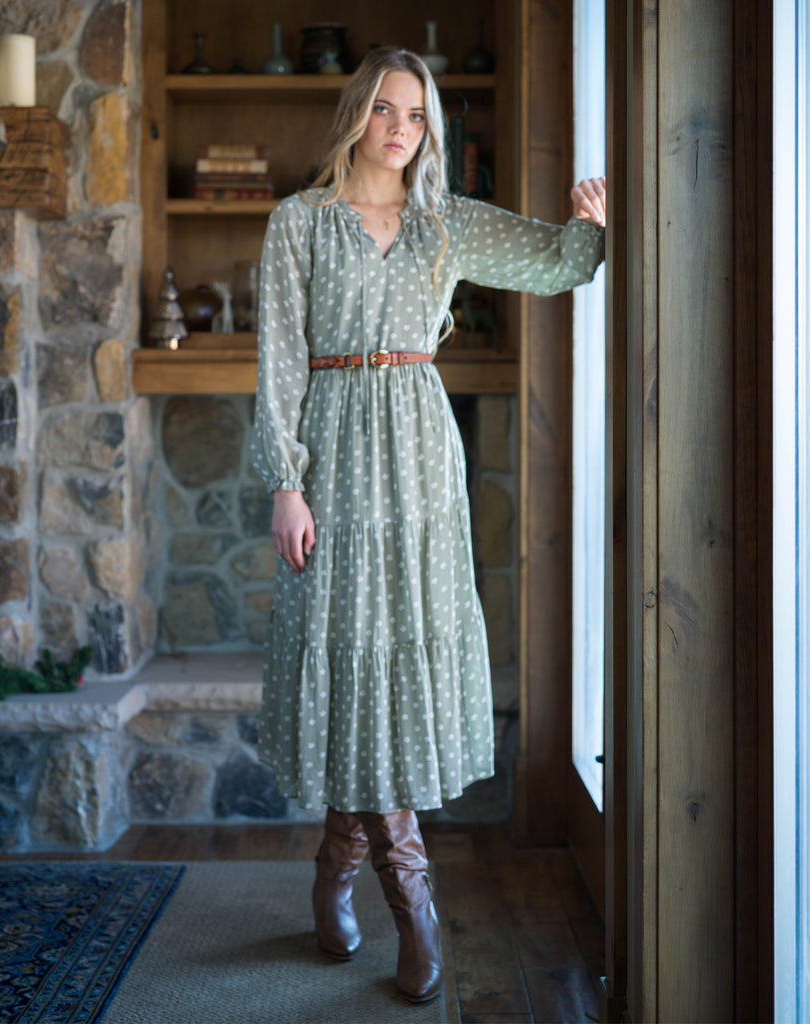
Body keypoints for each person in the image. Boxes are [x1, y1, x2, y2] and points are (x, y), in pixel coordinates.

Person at [250, 46, 605, 1004]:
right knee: (348, 652)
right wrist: (286, 482)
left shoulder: (443, 224)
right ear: (354, 117)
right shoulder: (298, 224)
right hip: (331, 453)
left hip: (416, 460)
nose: (400, 130)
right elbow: (279, 361)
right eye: (384, 111)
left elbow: (553, 260)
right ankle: (411, 897)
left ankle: (339, 864)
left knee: (394, 654)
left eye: (415, 116)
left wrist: (591, 224)